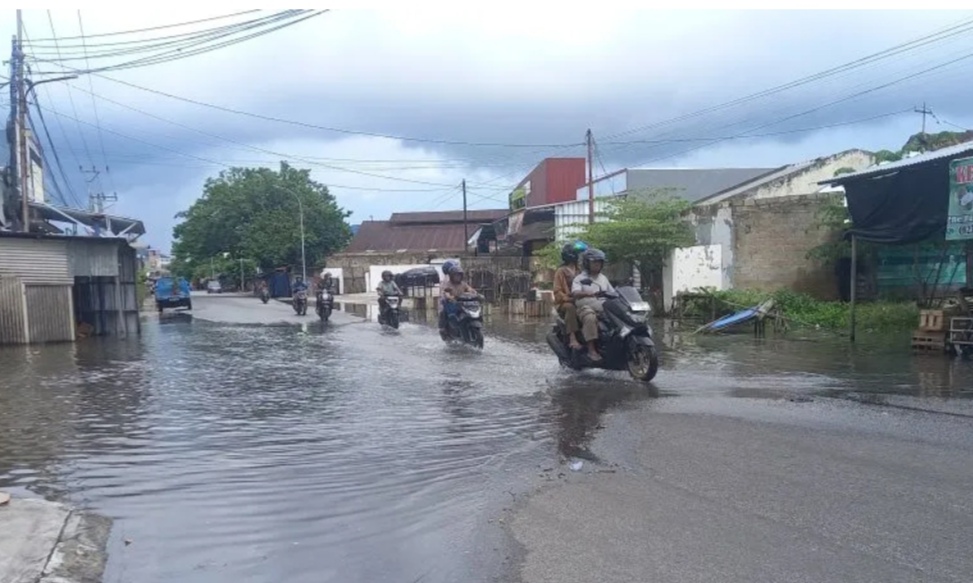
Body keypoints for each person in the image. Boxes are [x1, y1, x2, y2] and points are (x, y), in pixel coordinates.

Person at [571, 248, 615, 362]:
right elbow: (575, 293)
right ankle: (591, 350)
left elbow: (613, 292)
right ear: (587, 263)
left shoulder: (603, 278)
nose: (597, 264)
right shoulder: (580, 278)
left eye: (599, 262)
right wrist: (587, 293)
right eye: (594, 262)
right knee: (590, 317)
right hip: (585, 307)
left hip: (603, 307)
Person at [553, 240, 588, 350]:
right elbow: (557, 291)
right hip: (565, 303)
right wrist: (567, 298)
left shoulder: (580, 271)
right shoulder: (561, 271)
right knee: (570, 308)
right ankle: (573, 338)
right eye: (577, 254)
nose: (579, 257)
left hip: (579, 299)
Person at [439, 260, 477, 336]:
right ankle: (443, 328)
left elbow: (470, 289)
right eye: (456, 275)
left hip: (463, 303)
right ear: (451, 275)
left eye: (459, 275)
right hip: (452, 304)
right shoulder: (447, 283)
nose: (457, 277)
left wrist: (474, 293)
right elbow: (445, 292)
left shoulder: (463, 283)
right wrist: (449, 296)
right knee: (443, 312)